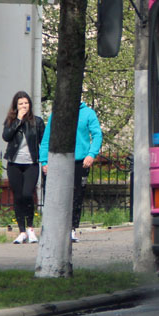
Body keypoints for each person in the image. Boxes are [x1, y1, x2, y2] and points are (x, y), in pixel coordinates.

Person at [39, 101, 103, 243]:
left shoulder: (88, 113)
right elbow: (46, 139)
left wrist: (91, 154)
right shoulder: (58, 114)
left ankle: (72, 228)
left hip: (80, 161)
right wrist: (44, 161)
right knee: (58, 194)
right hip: (60, 160)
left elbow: (97, 134)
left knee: (77, 194)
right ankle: (56, 229)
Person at [2, 91, 45, 244]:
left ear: (30, 105)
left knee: (28, 194)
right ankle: (21, 231)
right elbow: (6, 136)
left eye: (26, 103)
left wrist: (45, 161)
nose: (24, 106)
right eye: (20, 103)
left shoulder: (37, 122)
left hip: (31, 163)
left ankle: (31, 229)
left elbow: (44, 142)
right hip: (14, 163)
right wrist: (18, 120)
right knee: (18, 196)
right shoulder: (11, 121)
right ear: (16, 106)